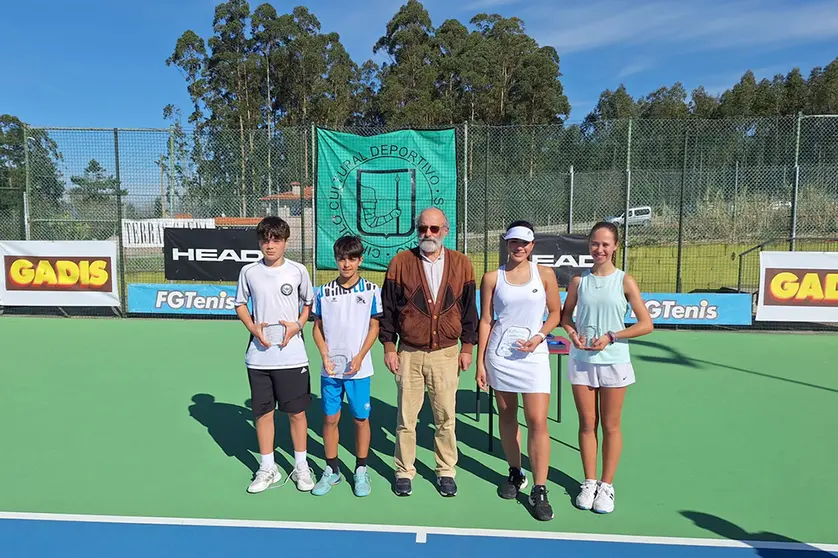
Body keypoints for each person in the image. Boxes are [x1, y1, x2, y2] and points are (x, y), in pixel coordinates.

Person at [379, 207, 479, 498]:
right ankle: (403, 470)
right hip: (409, 353)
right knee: (406, 418)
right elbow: (388, 309)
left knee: (446, 416)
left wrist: (468, 347)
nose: (428, 234)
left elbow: (469, 309)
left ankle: (446, 470)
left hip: (447, 354)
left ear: (445, 231)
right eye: (423, 229)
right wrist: (388, 345)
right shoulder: (400, 262)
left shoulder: (462, 264)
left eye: (434, 229)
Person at [560, 221, 653, 514]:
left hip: (614, 362)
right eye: (594, 244)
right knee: (587, 425)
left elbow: (645, 324)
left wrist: (612, 336)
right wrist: (574, 335)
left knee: (611, 425)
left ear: (615, 247)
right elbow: (565, 318)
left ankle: (606, 486)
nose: (599, 249)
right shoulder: (578, 281)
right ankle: (589, 482)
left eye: (605, 244)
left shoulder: (625, 281)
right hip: (582, 362)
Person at [476, 220, 563, 521]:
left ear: (532, 246)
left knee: (537, 420)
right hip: (500, 357)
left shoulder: (546, 275)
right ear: (507, 243)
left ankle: (539, 488)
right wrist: (480, 362)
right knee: (508, 416)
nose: (519, 247)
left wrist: (539, 336)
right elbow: (486, 320)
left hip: (534, 356)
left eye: (524, 243)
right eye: (514, 242)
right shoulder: (491, 278)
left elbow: (555, 313)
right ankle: (515, 473)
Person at [234, 216, 316, 494]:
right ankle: (268, 467)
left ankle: (301, 466)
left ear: (285, 242)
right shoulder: (249, 272)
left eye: (276, 239)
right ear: (259, 242)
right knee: (263, 413)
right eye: (265, 239)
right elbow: (240, 304)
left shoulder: (298, 271)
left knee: (296, 414)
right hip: (259, 357)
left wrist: (298, 324)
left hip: (292, 357)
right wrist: (252, 327)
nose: (270, 245)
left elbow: (308, 303)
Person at [310, 236, 382, 497]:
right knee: (330, 418)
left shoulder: (372, 291)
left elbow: (375, 326)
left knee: (360, 418)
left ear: (360, 260)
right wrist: (325, 354)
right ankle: (332, 470)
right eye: (341, 258)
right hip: (330, 369)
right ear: (336, 259)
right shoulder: (323, 292)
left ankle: (361, 469)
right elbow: (317, 328)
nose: (346, 263)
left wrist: (361, 355)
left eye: (352, 258)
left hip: (358, 370)